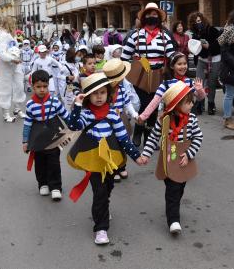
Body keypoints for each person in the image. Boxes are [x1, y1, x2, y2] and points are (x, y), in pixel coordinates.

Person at [67, 73, 146, 245]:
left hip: (110, 159)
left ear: (108, 94)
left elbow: (123, 138)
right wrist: (77, 105)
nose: (99, 96)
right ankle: (101, 228)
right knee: (99, 192)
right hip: (92, 159)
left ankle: (103, 208)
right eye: (94, 93)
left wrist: (136, 157)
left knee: (108, 187)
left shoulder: (112, 114)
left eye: (102, 92)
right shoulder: (86, 114)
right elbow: (73, 125)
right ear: (88, 96)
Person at [140, 81, 203, 234]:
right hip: (168, 160)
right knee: (172, 189)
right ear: (176, 105)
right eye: (188, 102)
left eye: (191, 101)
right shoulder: (164, 120)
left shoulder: (192, 119)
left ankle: (173, 206)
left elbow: (198, 137)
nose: (191, 104)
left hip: (184, 160)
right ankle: (173, 220)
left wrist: (189, 154)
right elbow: (153, 137)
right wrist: (145, 155)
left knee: (180, 187)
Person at [121, 2, 176, 147]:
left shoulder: (164, 36)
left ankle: (148, 137)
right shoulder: (136, 35)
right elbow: (124, 58)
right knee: (145, 105)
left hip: (159, 75)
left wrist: (180, 60)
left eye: (154, 14)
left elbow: (172, 55)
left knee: (155, 105)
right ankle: (139, 131)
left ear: (158, 17)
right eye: (149, 14)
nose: (152, 17)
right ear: (144, 17)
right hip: (140, 76)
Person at [22, 70, 72, 201]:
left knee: (54, 161)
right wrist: (25, 141)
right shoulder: (30, 105)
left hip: (53, 135)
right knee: (39, 161)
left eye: (45, 86)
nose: (42, 90)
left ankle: (56, 187)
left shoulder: (54, 101)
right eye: (38, 87)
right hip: (37, 137)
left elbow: (65, 116)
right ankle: (43, 184)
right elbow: (27, 124)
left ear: (48, 85)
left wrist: (74, 125)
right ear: (33, 87)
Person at [138, 53, 205, 123]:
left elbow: (200, 98)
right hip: (170, 119)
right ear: (172, 66)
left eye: (185, 63)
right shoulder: (166, 84)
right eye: (179, 64)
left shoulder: (189, 82)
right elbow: (155, 102)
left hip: (187, 119)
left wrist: (200, 90)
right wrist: (143, 116)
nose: (183, 66)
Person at [103, 58, 140, 182]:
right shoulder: (104, 91)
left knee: (123, 143)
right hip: (107, 121)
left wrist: (134, 115)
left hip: (122, 119)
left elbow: (127, 104)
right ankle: (113, 168)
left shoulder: (122, 89)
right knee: (111, 144)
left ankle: (122, 166)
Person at [189, 12, 221, 115]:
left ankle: (211, 104)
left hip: (214, 59)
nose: (197, 23)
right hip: (201, 60)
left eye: (199, 21)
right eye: (195, 22)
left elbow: (218, 46)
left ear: (203, 19)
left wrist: (209, 47)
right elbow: (195, 50)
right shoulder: (195, 33)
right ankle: (199, 103)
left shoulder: (213, 30)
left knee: (212, 83)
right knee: (199, 83)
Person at [0, 17, 26, 123]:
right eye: (14, 23)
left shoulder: (11, 36)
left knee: (19, 86)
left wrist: (17, 58)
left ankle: (17, 109)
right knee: (5, 88)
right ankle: (6, 114)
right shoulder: (3, 36)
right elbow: (0, 52)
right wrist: (12, 59)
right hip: (6, 65)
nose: (15, 25)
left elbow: (14, 49)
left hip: (15, 65)